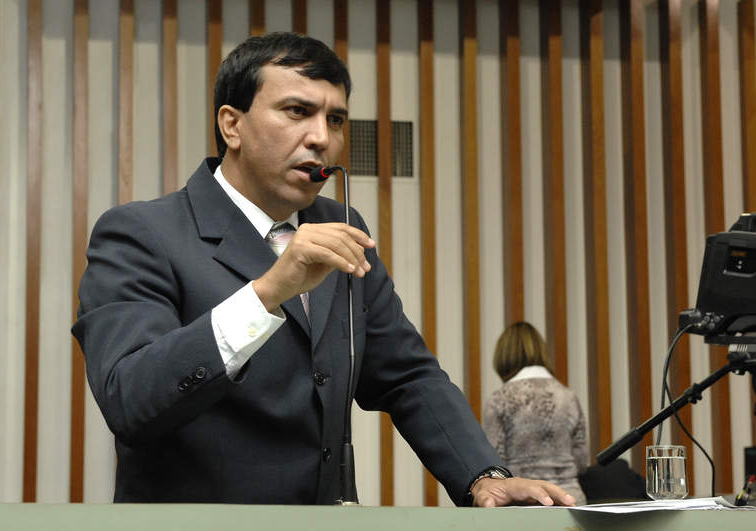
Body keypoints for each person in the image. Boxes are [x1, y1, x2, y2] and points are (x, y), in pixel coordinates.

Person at [72, 31, 574, 508]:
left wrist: (484, 476)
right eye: (297, 111)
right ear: (232, 125)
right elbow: (129, 398)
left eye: (335, 120)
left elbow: (406, 374)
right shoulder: (142, 232)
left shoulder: (342, 225)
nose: (321, 138)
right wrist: (266, 293)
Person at [482, 322, 589, 505]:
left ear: (503, 357)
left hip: (523, 503)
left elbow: (494, 464)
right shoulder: (568, 397)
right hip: (569, 500)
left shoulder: (499, 400)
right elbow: (581, 460)